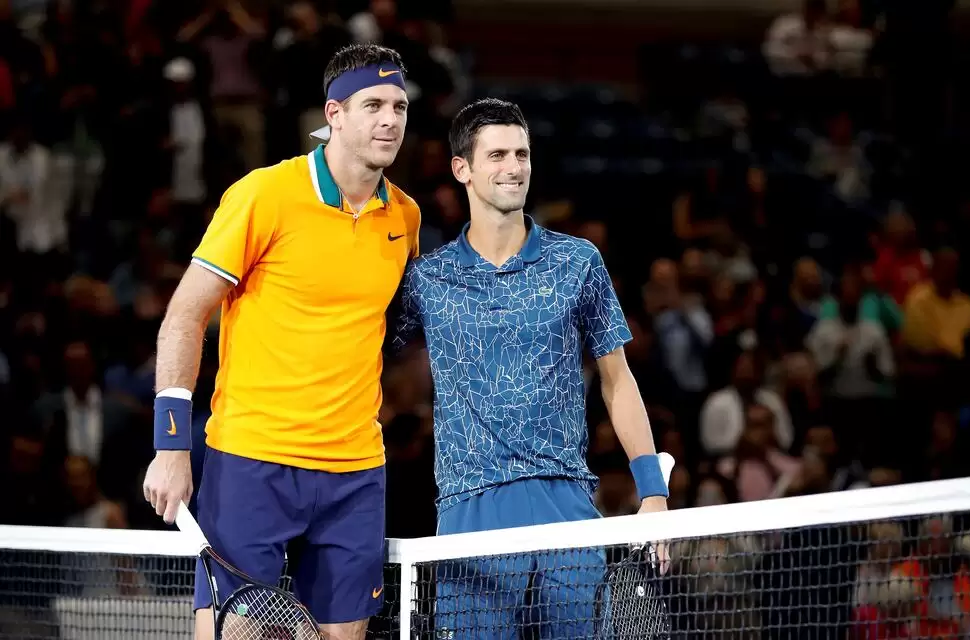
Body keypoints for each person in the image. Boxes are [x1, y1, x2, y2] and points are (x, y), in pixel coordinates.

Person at [142, 44, 420, 640]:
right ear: (334, 114)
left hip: (355, 471)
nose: (390, 120)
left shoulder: (405, 217)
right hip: (253, 461)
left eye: (399, 106)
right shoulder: (263, 195)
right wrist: (171, 444)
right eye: (373, 105)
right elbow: (185, 316)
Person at [395, 98, 669, 639]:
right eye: (497, 155)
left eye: (521, 154)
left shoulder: (578, 262)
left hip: (566, 504)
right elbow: (367, 357)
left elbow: (617, 379)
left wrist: (653, 491)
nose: (514, 167)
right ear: (462, 168)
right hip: (470, 508)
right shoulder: (427, 279)